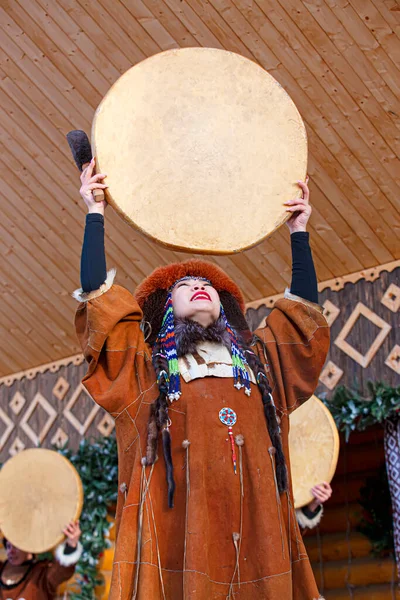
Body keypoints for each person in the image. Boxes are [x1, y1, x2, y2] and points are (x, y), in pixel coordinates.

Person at [73, 159, 330, 599]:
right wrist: (94, 213)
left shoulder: (261, 365)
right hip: (176, 547)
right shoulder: (144, 373)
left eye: (207, 284)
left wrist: (299, 232)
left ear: (222, 308)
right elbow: (102, 307)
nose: (199, 286)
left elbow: (301, 322)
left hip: (259, 542)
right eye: (185, 284)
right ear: (167, 308)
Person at [0, 521, 82, 600]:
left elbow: (61, 571)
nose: (10, 551)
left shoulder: (42, 575)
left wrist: (70, 547)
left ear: (28, 546)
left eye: (16, 546)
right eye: (8, 546)